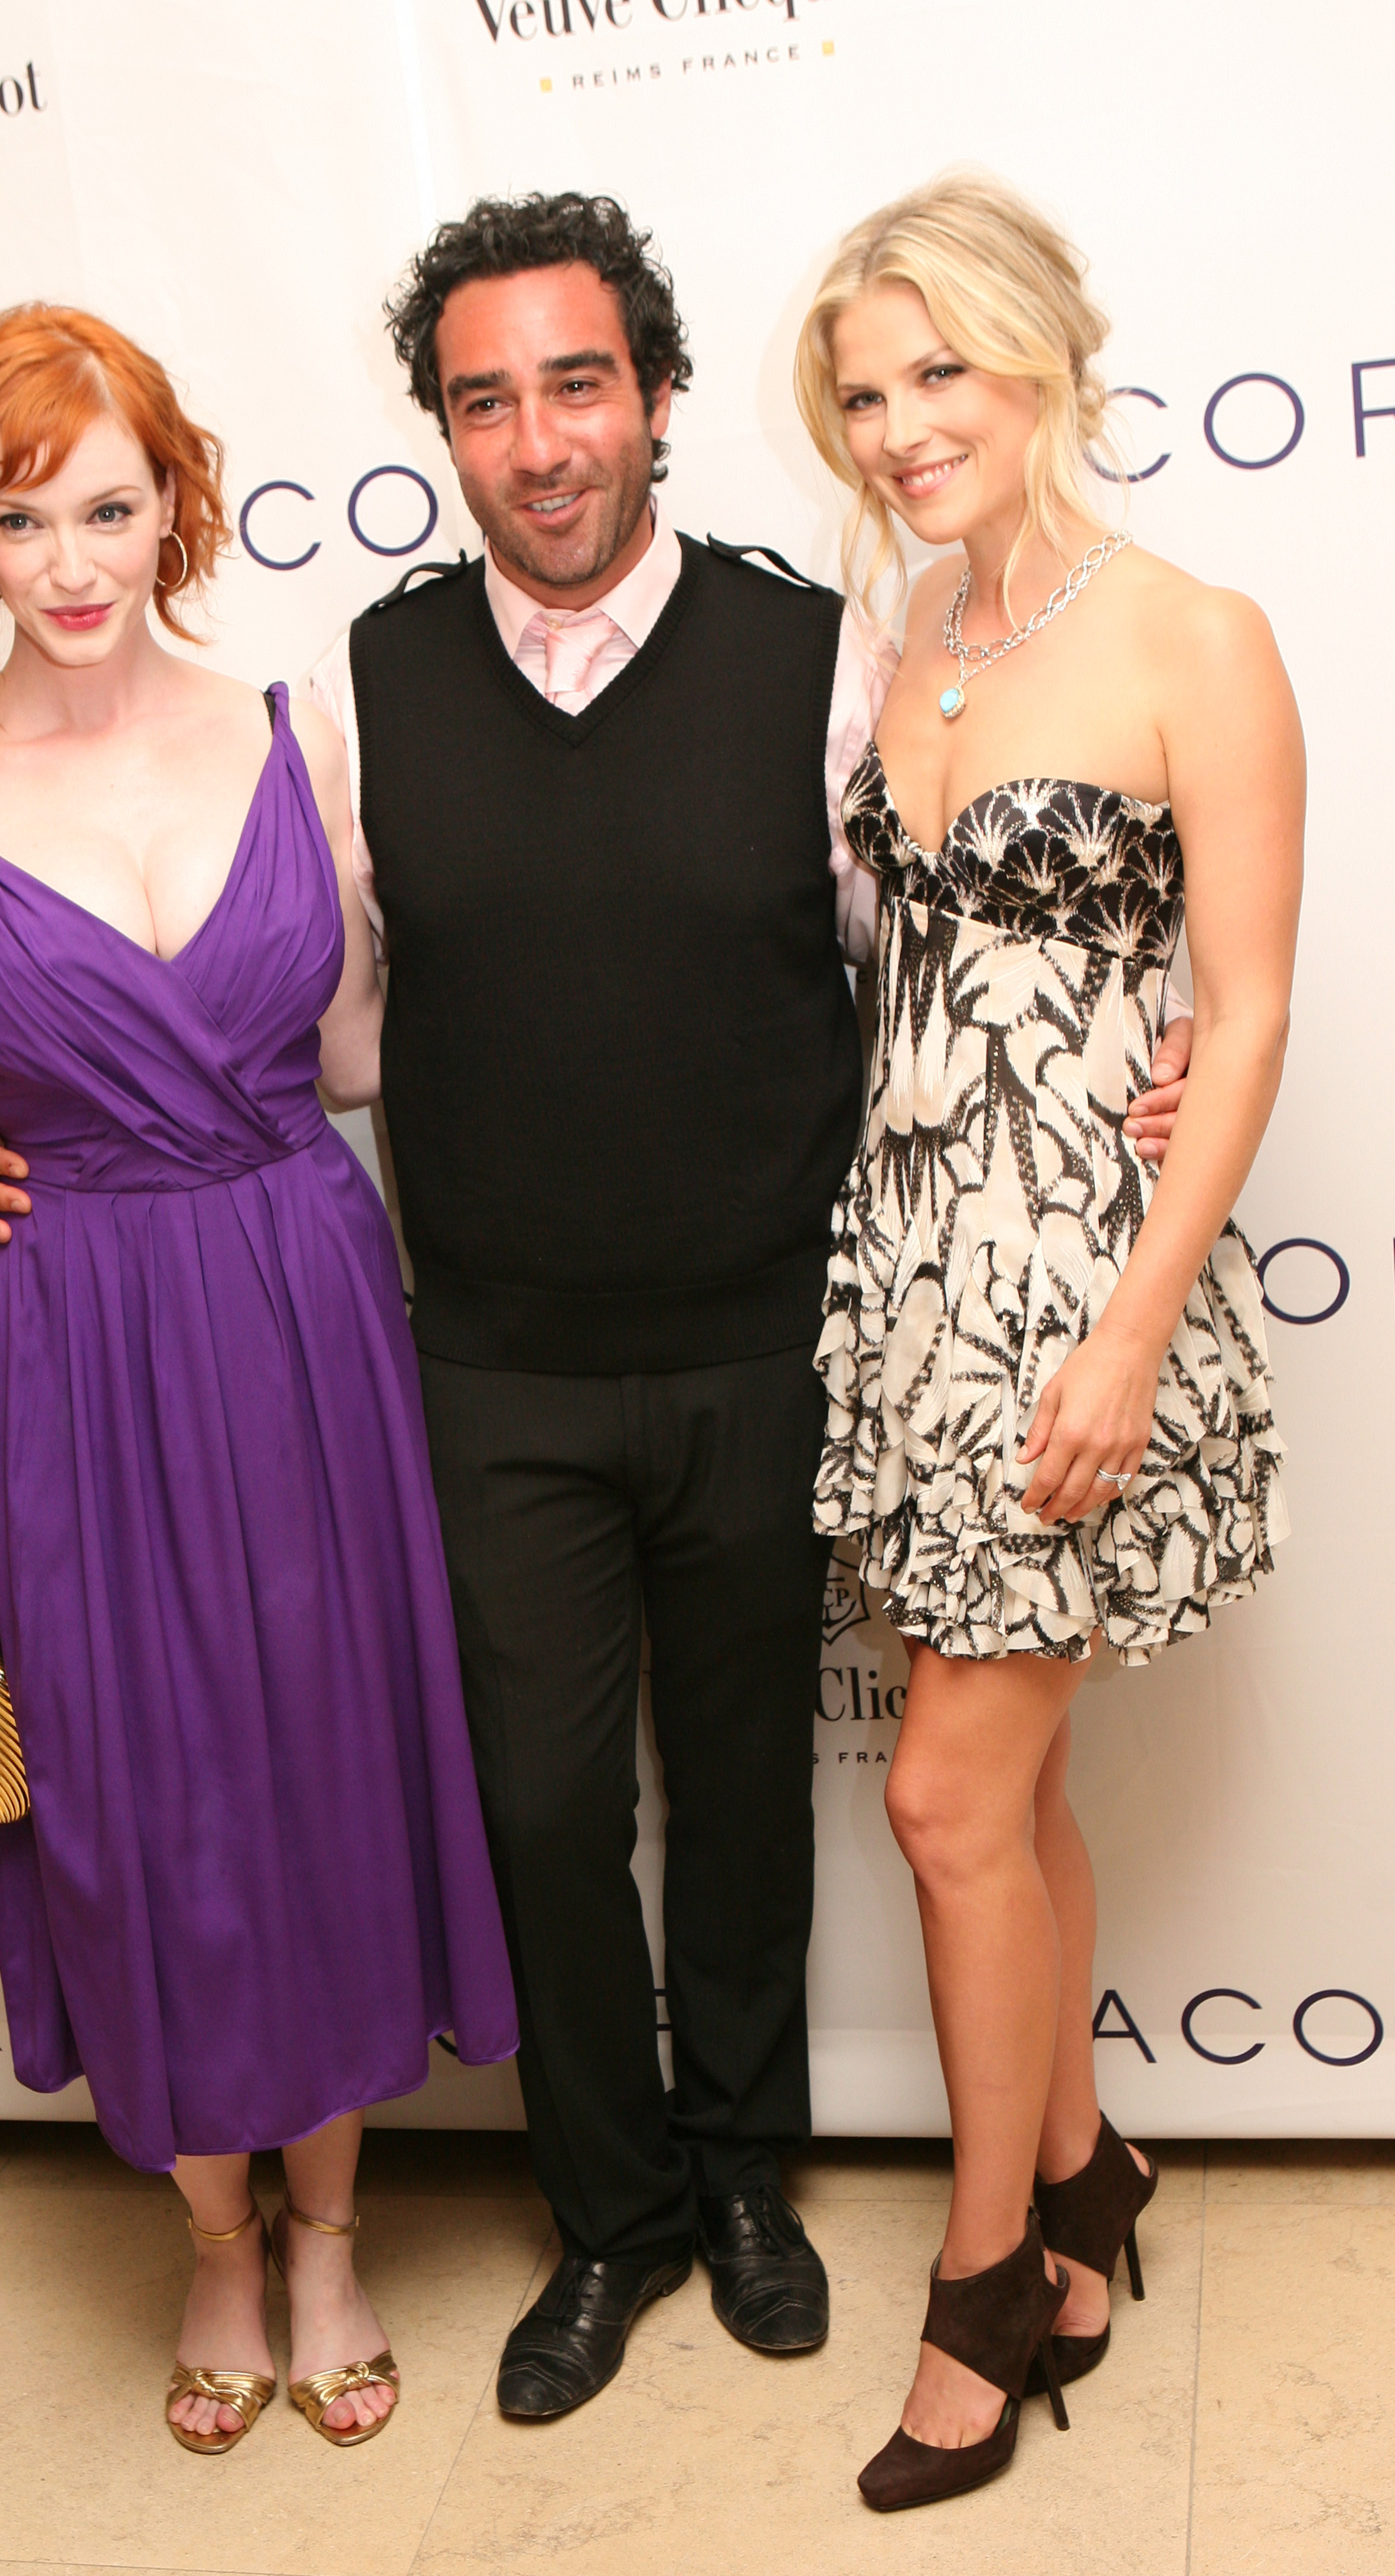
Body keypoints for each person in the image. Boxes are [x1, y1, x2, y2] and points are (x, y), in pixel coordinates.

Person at [0, 198, 1195, 2423]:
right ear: (443, 428)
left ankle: (741, 2182)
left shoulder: (819, 653)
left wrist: (1154, 1049)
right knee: (538, 1812)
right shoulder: (356, 690)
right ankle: (609, 2219)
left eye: (579, 384)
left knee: (746, 1799)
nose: (538, 441)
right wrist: (22, 1104)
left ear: (660, 398)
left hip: (771, 1345)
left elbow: (944, 968)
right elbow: (294, 1015)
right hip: (485, 1359)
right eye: (486, 400)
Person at [0, 303, 516, 2457]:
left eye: (109, 508)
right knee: (143, 1796)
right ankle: (214, 2240)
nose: (72, 562)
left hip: (304, 1314)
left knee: (321, 1762)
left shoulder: (296, 737)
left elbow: (356, 1058)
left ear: (174, 508)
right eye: (21, 520)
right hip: (74, 1348)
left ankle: (330, 2233)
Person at [792, 172, 1298, 2510]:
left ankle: (987, 2276)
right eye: (863, 393)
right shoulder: (906, 632)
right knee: (1008, 1798)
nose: (902, 427)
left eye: (941, 375)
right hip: (914, 1278)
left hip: (1084, 1293)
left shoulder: (1196, 635)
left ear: (1043, 367)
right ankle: (1087, 2180)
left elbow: (1248, 1012)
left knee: (938, 1802)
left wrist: (1129, 1333)